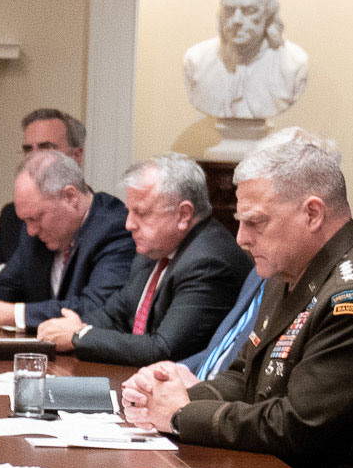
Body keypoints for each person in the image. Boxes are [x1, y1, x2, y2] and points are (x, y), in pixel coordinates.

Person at [120, 129, 353, 468]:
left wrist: (181, 415)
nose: (240, 238)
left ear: (313, 213)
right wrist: (179, 396)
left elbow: (296, 426)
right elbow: (244, 375)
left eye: (256, 222)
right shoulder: (290, 272)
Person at [35, 153, 248, 366]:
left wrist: (80, 336)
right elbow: (115, 315)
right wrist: (67, 328)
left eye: (141, 213)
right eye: (129, 212)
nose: (129, 224)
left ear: (183, 214)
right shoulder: (153, 251)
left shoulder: (208, 263)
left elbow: (163, 349)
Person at [0, 150, 134, 332]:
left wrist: (14, 314)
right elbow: (6, 284)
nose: (31, 231)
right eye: (26, 220)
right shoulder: (36, 235)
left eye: (36, 218)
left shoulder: (115, 229)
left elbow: (95, 308)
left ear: (70, 197)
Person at [0, 109, 85, 288]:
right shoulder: (13, 217)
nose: (34, 157)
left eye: (46, 148)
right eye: (28, 149)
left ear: (76, 156)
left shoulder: (100, 221)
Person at [180, 0, 309, 122]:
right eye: (229, 10)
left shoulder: (293, 63)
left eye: (250, 11)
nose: (236, 20)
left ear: (269, 15)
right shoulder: (196, 60)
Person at [182, 267, 266, 380]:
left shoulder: (274, 275)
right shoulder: (257, 274)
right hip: (207, 387)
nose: (249, 247)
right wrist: (177, 369)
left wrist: (201, 391)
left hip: (222, 392)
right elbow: (220, 349)